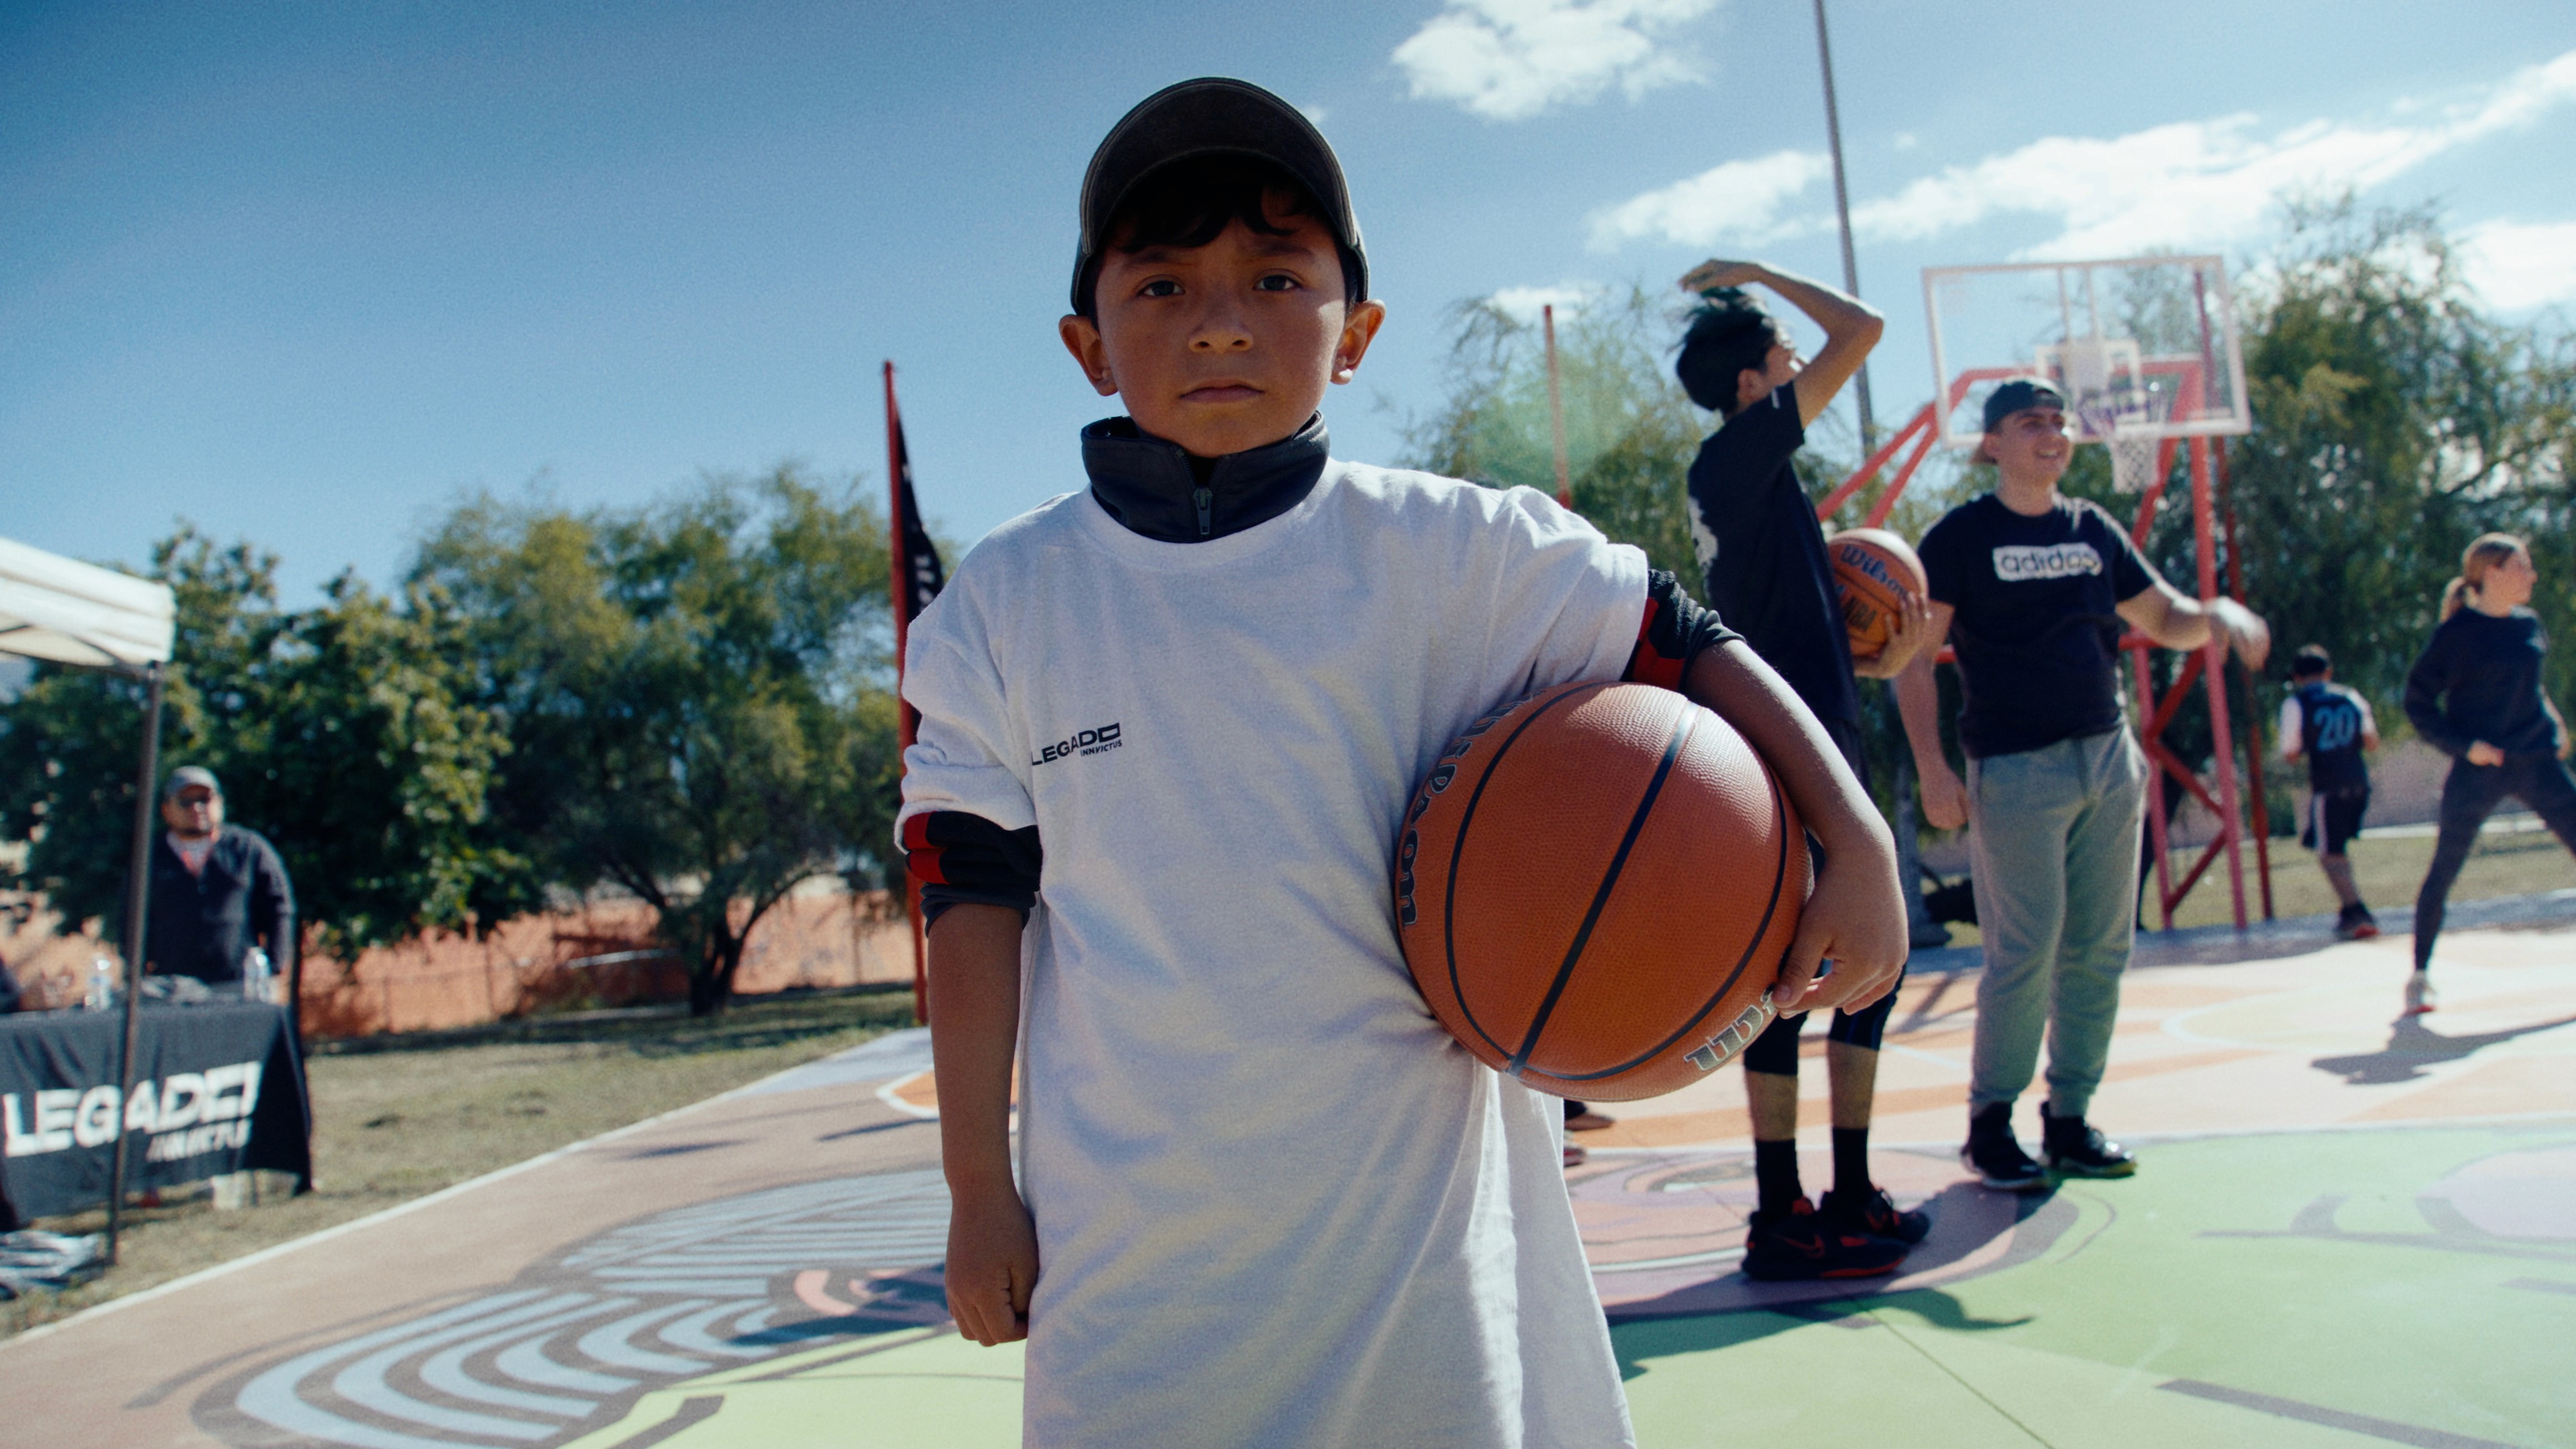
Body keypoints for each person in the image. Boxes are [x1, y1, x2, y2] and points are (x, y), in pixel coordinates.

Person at [897, 77, 1907, 1447]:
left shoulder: (1464, 555)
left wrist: (1855, 843)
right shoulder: (1004, 607)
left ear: (1355, 331)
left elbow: (1685, 640)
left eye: (1273, 276)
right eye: (1160, 287)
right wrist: (975, 1189)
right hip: (1136, 1264)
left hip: (1426, 1257)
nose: (1217, 319)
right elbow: (969, 907)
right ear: (1088, 346)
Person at [1897, 379, 2269, 1191]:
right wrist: (1933, 766)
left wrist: (2218, 613)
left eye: (2059, 421)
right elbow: (1913, 659)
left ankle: (2069, 1120)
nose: (2052, 432)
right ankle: (1990, 1125)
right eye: (2031, 421)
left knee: (2102, 948)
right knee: (2024, 952)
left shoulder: (2092, 529)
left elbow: (2164, 618)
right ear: (1991, 444)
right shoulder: (1961, 536)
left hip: (2107, 758)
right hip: (2014, 770)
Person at [1672, 264, 1935, 1278]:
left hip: (1810, 738)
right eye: (1781, 355)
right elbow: (1862, 328)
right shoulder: (1738, 454)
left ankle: (1805, 1203)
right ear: (1752, 384)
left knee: (1819, 974)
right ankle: (1817, 1202)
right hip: (1797, 755)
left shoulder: (1752, 484)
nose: (1796, 363)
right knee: (1845, 970)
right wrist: (1753, 276)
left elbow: (1795, 623)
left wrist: (1885, 657)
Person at [2402, 533, 2576, 1015]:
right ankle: (2420, 976)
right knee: (2444, 869)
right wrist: (2465, 747)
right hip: (2480, 768)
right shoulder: (2455, 635)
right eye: (2523, 566)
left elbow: (2531, 686)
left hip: (2537, 761)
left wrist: (2552, 717)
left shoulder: (2529, 624)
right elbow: (2417, 703)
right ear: (2493, 574)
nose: (2532, 575)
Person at [147, 766, 295, 990]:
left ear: (220, 803)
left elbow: (280, 909)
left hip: (238, 984)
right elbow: (131, 916)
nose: (197, 808)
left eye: (204, 799)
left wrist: (275, 965)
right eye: (185, 801)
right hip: (171, 988)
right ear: (166, 810)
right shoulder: (150, 858)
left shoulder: (248, 849)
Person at [2278, 645, 2381, 940]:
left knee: (2329, 853)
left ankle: (2358, 911)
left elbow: (2290, 752)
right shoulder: (2351, 697)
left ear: (2297, 677)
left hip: (2327, 785)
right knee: (2336, 849)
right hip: (2359, 781)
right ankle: (2348, 911)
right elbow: (2371, 740)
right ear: (2329, 672)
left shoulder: (2296, 705)